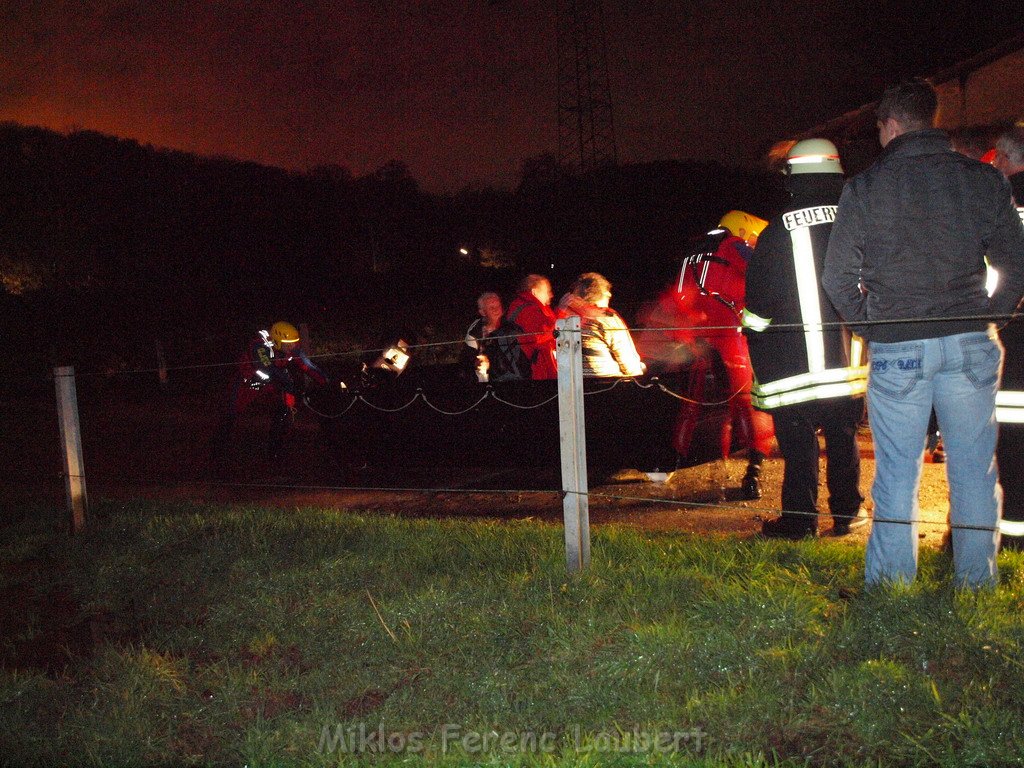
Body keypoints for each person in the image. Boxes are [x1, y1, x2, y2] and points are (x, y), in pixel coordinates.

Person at [822, 79, 1024, 588]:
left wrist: (876, 328)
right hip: (971, 342)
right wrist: (990, 316)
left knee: (897, 471)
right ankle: (976, 583)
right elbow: (1015, 263)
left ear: (889, 126)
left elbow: (837, 278)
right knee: (975, 470)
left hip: (898, 347)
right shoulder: (983, 181)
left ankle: (891, 586)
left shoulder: (865, 188)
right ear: (929, 120)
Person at [742, 139, 868, 538]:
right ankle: (847, 513)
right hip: (849, 365)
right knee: (843, 437)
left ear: (793, 178)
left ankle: (800, 522)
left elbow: (758, 307)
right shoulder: (860, 220)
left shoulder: (778, 231)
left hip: (792, 368)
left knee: (799, 446)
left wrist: (755, 340)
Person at [672, 210, 775, 499]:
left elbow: (681, 296)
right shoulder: (733, 247)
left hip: (697, 339)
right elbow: (764, 272)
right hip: (732, 337)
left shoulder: (693, 252)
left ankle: (680, 462)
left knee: (693, 406)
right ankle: (753, 473)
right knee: (749, 404)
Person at [212, 320, 328, 464]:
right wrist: (287, 382)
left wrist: (327, 382)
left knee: (285, 409)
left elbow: (308, 366)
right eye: (288, 343)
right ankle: (218, 451)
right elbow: (267, 368)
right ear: (278, 341)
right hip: (247, 382)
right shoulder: (259, 345)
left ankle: (275, 451)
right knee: (229, 412)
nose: (292, 346)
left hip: (270, 384)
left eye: (294, 342)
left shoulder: (293, 348)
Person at [992, 123, 1024, 542]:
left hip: (1013, 344)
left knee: (1012, 442)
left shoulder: (1002, 206)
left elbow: (992, 279)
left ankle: (1014, 533)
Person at [558, 272, 645, 377]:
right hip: (605, 383)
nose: (610, 294)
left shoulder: (564, 317)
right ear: (599, 294)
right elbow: (628, 362)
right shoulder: (606, 318)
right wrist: (640, 374)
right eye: (606, 291)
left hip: (572, 382)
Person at [460, 291, 529, 382]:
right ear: (482, 312)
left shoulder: (511, 326)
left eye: (498, 306)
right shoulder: (476, 330)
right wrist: (476, 361)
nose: (496, 310)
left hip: (513, 376)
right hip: (486, 379)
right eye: (491, 308)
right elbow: (467, 356)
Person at [506, 274, 558, 380]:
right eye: (547, 291)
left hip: (527, 367)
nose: (551, 295)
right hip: (535, 371)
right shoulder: (530, 310)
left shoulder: (521, 305)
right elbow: (539, 338)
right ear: (534, 292)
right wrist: (561, 314)